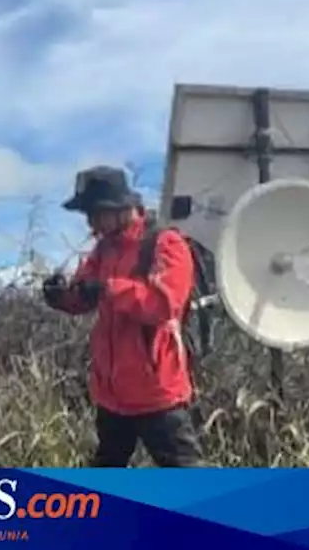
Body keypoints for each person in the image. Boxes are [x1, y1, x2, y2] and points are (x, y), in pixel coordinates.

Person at [41, 165, 204, 467]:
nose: (91, 224)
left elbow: (162, 305)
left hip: (158, 394)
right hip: (112, 395)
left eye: (94, 214)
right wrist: (60, 296)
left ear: (119, 209)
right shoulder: (103, 250)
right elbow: (83, 296)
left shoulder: (166, 244)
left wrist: (108, 288)